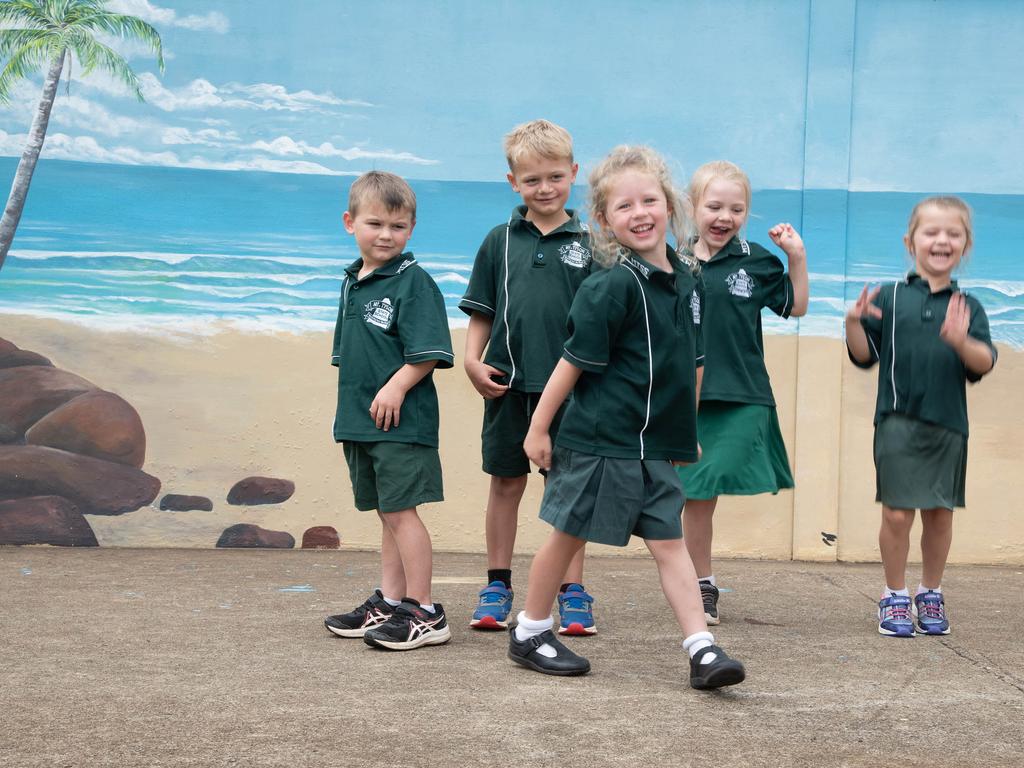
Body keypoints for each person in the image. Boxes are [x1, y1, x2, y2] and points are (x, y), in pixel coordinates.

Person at [508, 145, 746, 689]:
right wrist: (538, 427)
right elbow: (572, 363)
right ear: (603, 220)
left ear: (669, 205)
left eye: (649, 200)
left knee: (669, 543)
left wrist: (689, 431)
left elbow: (695, 363)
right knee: (568, 536)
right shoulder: (609, 286)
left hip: (657, 444)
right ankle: (531, 629)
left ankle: (702, 649)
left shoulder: (689, 282)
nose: (640, 213)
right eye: (624, 206)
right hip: (600, 440)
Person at [459, 119, 598, 635]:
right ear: (513, 181)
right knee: (505, 483)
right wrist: (473, 362)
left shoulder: (590, 242)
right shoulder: (499, 241)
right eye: (532, 179)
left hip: (571, 392)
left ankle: (572, 589)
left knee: (568, 492)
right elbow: (481, 312)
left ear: (574, 174)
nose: (545, 188)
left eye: (555, 177)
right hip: (507, 386)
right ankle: (497, 582)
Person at [846, 196, 996, 638]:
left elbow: (983, 363)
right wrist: (854, 322)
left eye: (953, 234)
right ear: (911, 241)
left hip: (948, 425)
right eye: (931, 232)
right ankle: (894, 595)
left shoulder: (969, 306)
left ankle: (930, 591)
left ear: (965, 245)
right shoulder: (889, 297)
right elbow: (863, 356)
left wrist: (959, 339)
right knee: (896, 514)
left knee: (940, 515)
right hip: (895, 420)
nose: (942, 241)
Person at [323, 171, 455, 651]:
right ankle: (391, 600)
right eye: (375, 223)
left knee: (402, 512)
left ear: (412, 229)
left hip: (401, 423)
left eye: (398, 227)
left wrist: (397, 388)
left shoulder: (413, 283)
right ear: (349, 222)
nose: (385, 235)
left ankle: (423, 610)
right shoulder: (352, 282)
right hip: (362, 420)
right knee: (386, 512)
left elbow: (428, 352)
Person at [675, 161, 809, 625]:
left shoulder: (756, 261)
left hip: (743, 392)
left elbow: (796, 305)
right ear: (693, 207)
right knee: (697, 496)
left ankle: (697, 583)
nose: (724, 216)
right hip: (686, 397)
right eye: (714, 206)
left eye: (736, 208)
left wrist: (796, 256)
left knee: (705, 480)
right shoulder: (672, 261)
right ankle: (700, 585)